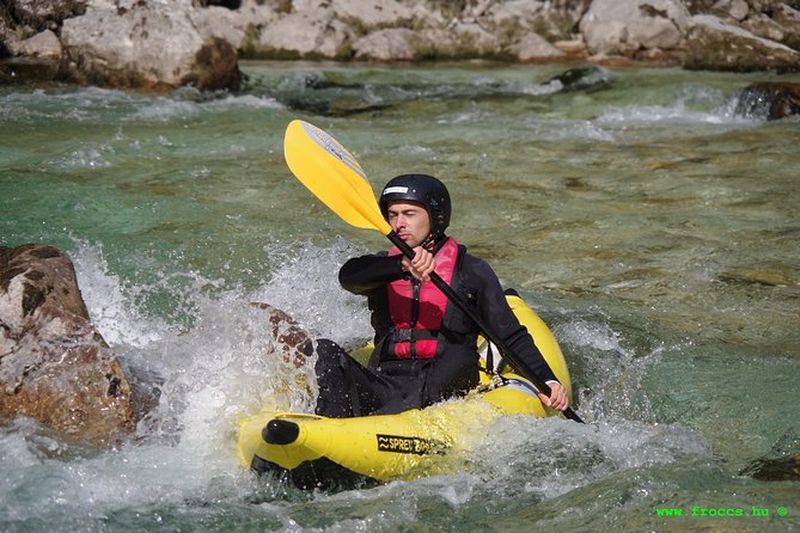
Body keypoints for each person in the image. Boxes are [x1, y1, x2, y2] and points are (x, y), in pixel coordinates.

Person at [313, 174, 569, 418]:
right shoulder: (384, 267)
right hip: (388, 387)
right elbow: (349, 277)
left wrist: (547, 380)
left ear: (436, 218)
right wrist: (401, 265)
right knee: (324, 350)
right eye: (393, 215)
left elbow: (510, 336)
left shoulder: (470, 271)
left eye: (409, 214)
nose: (399, 223)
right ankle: (322, 437)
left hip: (445, 393)